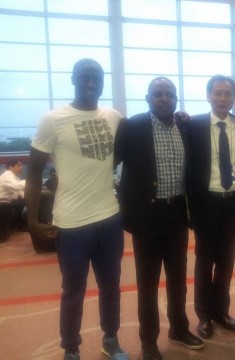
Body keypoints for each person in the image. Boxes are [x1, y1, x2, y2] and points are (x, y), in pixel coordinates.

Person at [25, 58, 128, 360]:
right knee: (73, 290)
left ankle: (110, 339)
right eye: (84, 76)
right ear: (72, 79)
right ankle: (71, 348)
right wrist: (32, 219)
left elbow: (132, 146)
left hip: (109, 218)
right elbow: (33, 174)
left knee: (111, 286)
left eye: (96, 76)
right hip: (71, 224)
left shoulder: (113, 116)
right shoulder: (53, 119)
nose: (91, 82)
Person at [114, 77, 204, 360]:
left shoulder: (185, 127)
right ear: (148, 98)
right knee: (148, 284)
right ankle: (148, 340)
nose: (164, 99)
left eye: (169, 94)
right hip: (146, 218)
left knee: (178, 279)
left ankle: (179, 328)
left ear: (176, 99)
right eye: (158, 94)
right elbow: (111, 167)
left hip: (177, 214)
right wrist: (125, 209)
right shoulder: (132, 126)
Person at [186, 74, 235, 339]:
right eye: (217, 93)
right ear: (208, 96)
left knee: (226, 261)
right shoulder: (193, 125)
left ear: (234, 97)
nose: (222, 98)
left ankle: (221, 311)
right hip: (206, 204)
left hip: (234, 204)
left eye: (227, 93)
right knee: (204, 261)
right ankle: (204, 316)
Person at [0, 159, 26, 230]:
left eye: (21, 166)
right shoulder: (7, 175)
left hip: (8, 200)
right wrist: (29, 182)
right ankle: (20, 225)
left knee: (24, 200)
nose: (21, 167)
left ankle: (19, 224)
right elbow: (17, 186)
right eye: (19, 166)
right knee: (22, 202)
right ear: (11, 167)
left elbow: (19, 192)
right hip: (3, 201)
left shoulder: (14, 177)